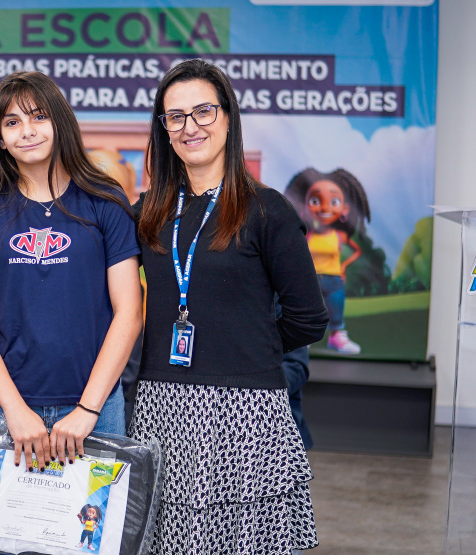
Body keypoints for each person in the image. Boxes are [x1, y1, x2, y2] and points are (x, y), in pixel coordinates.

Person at [129, 59, 328, 554]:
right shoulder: (147, 212)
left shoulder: (268, 210)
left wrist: (244, 346)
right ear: (163, 130)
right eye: (175, 117)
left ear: (228, 117)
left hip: (245, 413)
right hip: (160, 407)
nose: (189, 126)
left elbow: (309, 318)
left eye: (202, 112)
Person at [0, 71, 142, 471]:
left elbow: (129, 310)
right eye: (12, 122)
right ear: (0, 140)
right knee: (4, 535)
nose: (27, 131)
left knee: (90, 531)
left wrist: (89, 409)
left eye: (38, 116)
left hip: (97, 409)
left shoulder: (104, 201)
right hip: (7, 409)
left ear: (60, 121)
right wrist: (14, 410)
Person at [285, 168, 371, 355]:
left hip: (334, 281)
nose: (325, 208)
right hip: (310, 281)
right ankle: (304, 340)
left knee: (336, 313)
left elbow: (357, 251)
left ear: (344, 210)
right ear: (304, 208)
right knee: (306, 314)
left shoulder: (339, 236)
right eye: (316, 201)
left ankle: (336, 337)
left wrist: (344, 267)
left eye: (334, 202)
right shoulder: (305, 236)